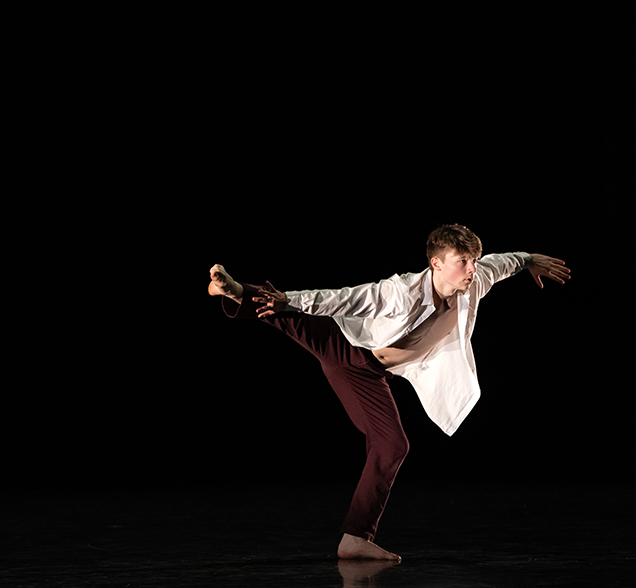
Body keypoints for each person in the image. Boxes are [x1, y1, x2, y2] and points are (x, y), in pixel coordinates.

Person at [208, 224, 570, 561]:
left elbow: (500, 263)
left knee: (393, 445)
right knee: (289, 315)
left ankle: (355, 538)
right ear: (436, 264)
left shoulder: (473, 281)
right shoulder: (402, 291)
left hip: (372, 375)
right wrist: (290, 298)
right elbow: (346, 300)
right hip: (346, 347)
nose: (472, 269)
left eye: (473, 261)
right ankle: (236, 291)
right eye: (463, 262)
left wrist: (528, 260)